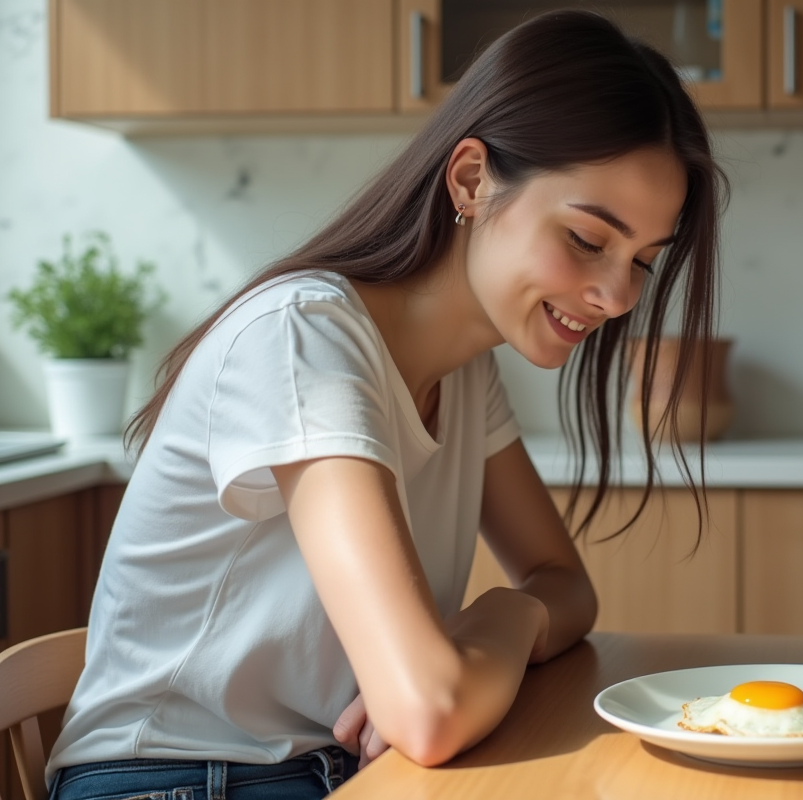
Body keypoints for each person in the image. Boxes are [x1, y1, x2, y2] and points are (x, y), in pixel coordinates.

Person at [45, 9, 725, 799]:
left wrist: (493, 618)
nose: (616, 295)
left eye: (643, 260)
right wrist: (494, 629)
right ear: (472, 180)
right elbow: (430, 710)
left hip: (333, 771)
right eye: (586, 240)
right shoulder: (303, 339)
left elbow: (564, 586)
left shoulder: (464, 371)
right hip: (174, 779)